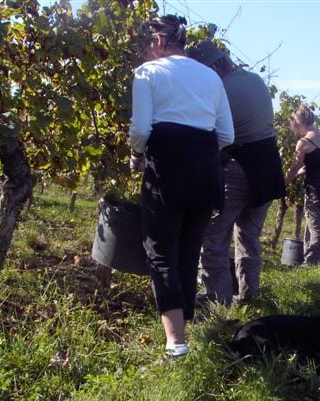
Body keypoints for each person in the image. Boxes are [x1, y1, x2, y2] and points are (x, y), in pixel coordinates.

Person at [129, 16, 234, 356]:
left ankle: (176, 345)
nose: (146, 51)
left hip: (167, 172)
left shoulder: (148, 73)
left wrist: (138, 154)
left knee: (160, 253)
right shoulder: (211, 76)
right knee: (189, 253)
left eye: (148, 44)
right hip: (206, 173)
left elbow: (141, 130)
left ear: (158, 41)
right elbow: (227, 135)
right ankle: (183, 332)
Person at [187, 41, 286, 305]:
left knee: (213, 235)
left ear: (217, 64)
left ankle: (216, 299)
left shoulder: (221, 90)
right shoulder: (254, 80)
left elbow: (209, 136)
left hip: (240, 167)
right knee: (249, 237)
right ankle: (249, 295)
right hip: (267, 169)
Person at [285, 104, 320, 266]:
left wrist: (284, 182)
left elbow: (295, 166)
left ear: (299, 124)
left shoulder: (303, 143)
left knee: (314, 225)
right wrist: (299, 174)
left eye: (295, 127)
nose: (296, 130)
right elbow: (318, 163)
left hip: (316, 188)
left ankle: (311, 262)